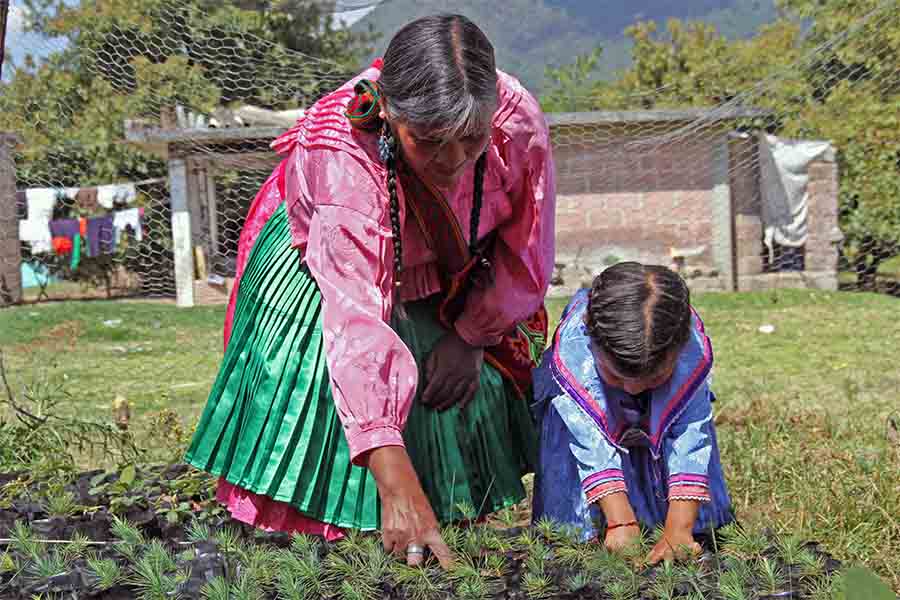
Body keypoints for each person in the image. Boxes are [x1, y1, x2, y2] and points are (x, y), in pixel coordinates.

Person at [185, 14, 555, 568]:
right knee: (323, 407)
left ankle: (434, 530)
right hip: (323, 271)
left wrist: (472, 334)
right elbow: (356, 316)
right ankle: (323, 555)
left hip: (445, 275)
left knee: (445, 396)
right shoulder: (341, 149)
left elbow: (527, 244)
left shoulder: (516, 118)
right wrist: (395, 478)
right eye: (429, 142)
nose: (453, 164)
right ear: (390, 111)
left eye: (471, 140)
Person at [531, 262, 734, 564]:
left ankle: (674, 529)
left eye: (653, 379)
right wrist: (620, 521)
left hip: (661, 423)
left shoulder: (689, 353)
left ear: (678, 351)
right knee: (579, 536)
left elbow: (689, 438)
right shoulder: (576, 353)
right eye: (615, 376)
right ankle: (591, 530)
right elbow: (592, 443)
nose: (634, 390)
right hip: (586, 431)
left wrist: (679, 528)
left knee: (683, 525)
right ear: (593, 343)